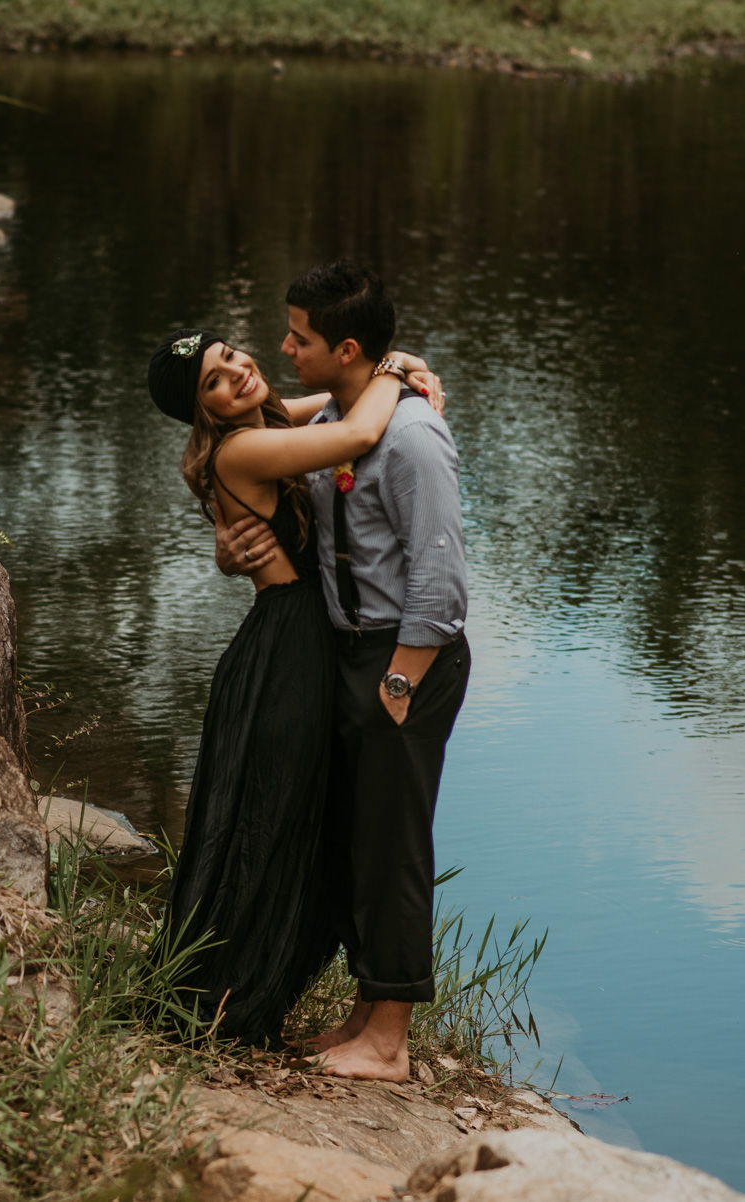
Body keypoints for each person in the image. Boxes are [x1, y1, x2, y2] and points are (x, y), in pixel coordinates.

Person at [147, 325, 439, 1047]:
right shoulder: (242, 448)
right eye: (215, 381)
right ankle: (226, 1000)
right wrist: (394, 372)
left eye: (233, 356)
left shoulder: (266, 422)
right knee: (273, 823)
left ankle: (254, 988)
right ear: (204, 411)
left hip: (300, 641)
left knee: (297, 820)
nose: (238, 373)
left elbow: (332, 402)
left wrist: (394, 365)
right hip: (290, 652)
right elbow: (358, 429)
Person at [216, 261, 470, 1081]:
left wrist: (398, 684)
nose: (284, 347)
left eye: (300, 337)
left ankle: (390, 1044)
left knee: (393, 841)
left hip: (404, 656)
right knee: (359, 835)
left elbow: (441, 580)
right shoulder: (336, 411)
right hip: (350, 651)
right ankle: (366, 1013)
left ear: (345, 346)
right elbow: (246, 446)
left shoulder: (411, 436)